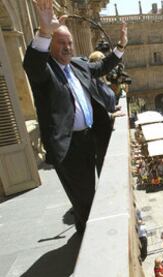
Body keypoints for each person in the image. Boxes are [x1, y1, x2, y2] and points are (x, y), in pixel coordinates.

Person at [23, 0, 127, 235]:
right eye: (61, 42)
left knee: (104, 188)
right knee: (84, 198)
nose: (68, 46)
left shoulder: (79, 64)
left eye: (70, 42)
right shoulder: (45, 71)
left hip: (93, 136)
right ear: (50, 45)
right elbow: (31, 64)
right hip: (70, 146)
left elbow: (102, 66)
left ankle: (96, 227)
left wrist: (121, 46)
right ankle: (88, 236)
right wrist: (44, 32)